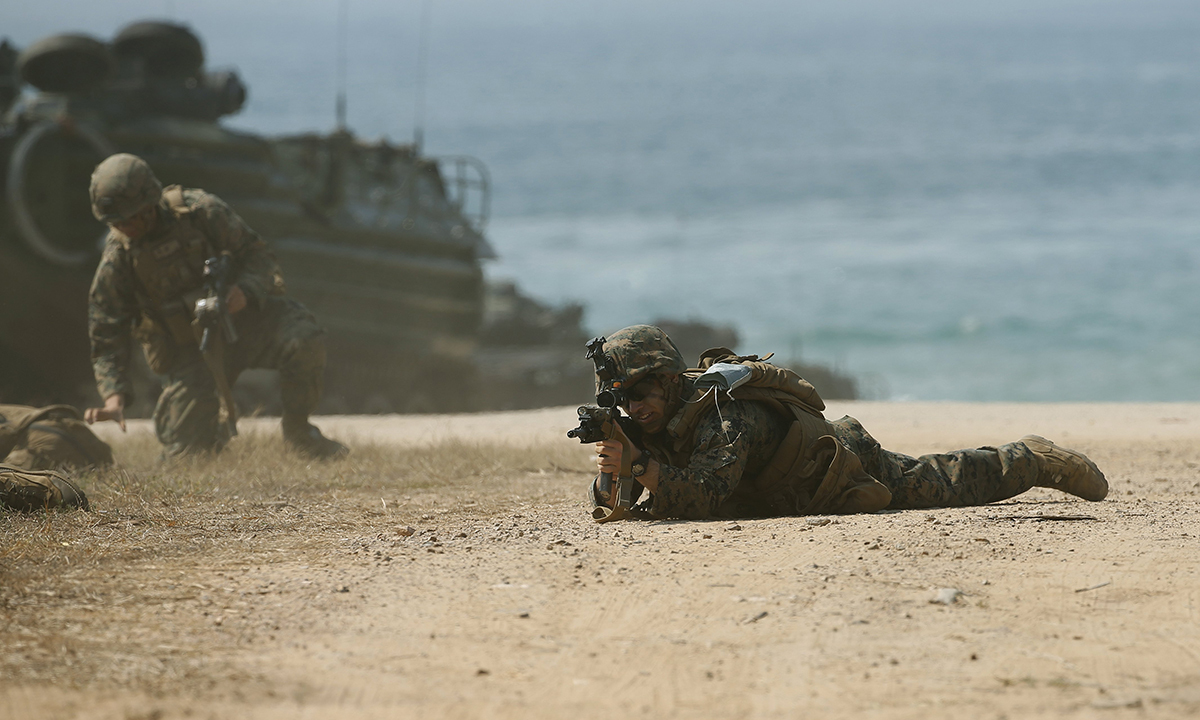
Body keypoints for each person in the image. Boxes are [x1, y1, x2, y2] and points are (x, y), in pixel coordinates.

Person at [586, 325, 1107, 520]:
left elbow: (706, 496)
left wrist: (642, 466)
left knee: (939, 483)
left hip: (839, 464)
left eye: (642, 393)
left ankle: (1032, 459)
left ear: (671, 380)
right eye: (623, 399)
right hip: (794, 484)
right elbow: (617, 502)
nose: (635, 408)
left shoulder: (723, 414)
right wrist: (619, 465)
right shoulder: (647, 422)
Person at [84, 153, 347, 459]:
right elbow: (105, 328)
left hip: (245, 323)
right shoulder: (119, 258)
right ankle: (210, 435)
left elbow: (259, 256)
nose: (123, 228)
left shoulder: (199, 212)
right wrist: (114, 397)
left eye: (129, 219)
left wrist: (245, 291)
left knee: (304, 337)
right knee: (187, 453)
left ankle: (299, 432)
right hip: (191, 351)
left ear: (149, 203)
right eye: (115, 222)